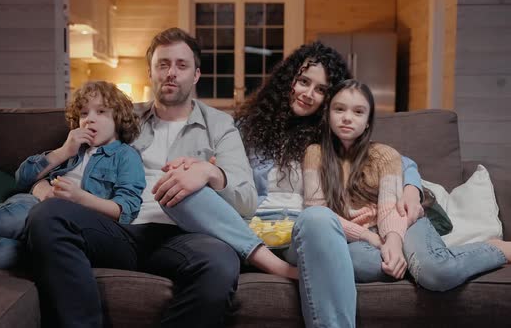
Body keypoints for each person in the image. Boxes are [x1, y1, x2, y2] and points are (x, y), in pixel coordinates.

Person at [26, 27, 295, 328]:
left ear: (195, 75)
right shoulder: (120, 117)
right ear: (150, 72)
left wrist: (210, 172)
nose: (171, 73)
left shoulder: (220, 126)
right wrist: (39, 186)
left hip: (183, 234)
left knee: (220, 262)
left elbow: (246, 199)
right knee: (47, 216)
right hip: (118, 226)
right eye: (163, 64)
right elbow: (66, 163)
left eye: (181, 65)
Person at [164, 41, 424, 327]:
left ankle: (305, 266)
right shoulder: (244, 128)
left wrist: (412, 189)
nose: (308, 94)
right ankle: (275, 266)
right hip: (243, 233)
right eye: (303, 81)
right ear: (288, 79)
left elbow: (395, 161)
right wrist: (203, 170)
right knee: (183, 190)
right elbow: (216, 170)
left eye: (321, 89)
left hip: (303, 238)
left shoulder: (332, 135)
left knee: (323, 222)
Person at [302, 78, 511, 292]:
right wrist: (368, 236)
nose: (347, 118)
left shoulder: (385, 154)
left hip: (403, 222)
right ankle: (420, 261)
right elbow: (319, 213)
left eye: (358, 112)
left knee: (437, 274)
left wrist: (392, 241)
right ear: (328, 115)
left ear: (367, 122)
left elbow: (389, 208)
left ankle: (496, 249)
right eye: (339, 109)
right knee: (352, 262)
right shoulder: (315, 155)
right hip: (359, 238)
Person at [0, 81, 145, 271]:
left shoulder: (126, 157)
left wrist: (79, 198)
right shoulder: (72, 150)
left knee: (4, 253)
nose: (89, 119)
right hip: (30, 206)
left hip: (61, 226)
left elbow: (125, 211)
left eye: (101, 111)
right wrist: (62, 153)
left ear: (119, 117)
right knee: (16, 214)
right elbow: (22, 178)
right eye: (83, 113)